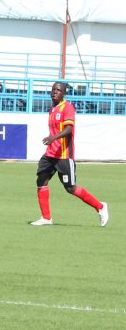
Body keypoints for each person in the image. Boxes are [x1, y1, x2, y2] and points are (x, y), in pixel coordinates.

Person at [30, 82, 108, 226]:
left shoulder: (68, 107)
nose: (54, 92)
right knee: (41, 181)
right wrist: (51, 140)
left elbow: (68, 130)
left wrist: (53, 138)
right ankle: (46, 218)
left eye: (58, 90)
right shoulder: (52, 109)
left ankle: (100, 207)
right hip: (50, 154)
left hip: (64, 155)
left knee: (70, 188)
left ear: (64, 93)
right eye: (53, 89)